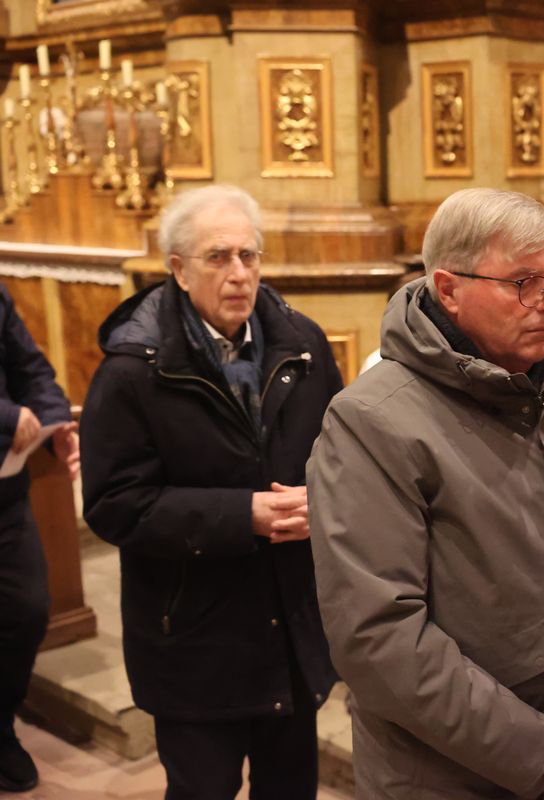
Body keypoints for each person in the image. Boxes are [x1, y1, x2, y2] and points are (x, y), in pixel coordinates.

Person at [307, 188, 544, 800]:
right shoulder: (372, 423)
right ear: (448, 289)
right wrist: (538, 750)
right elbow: (378, 636)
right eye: (523, 283)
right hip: (451, 779)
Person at [80, 185, 342, 800]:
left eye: (249, 256)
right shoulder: (132, 371)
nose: (238, 274)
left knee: (290, 790)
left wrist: (322, 501)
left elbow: (341, 456)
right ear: (177, 268)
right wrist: (239, 514)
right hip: (194, 637)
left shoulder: (301, 345)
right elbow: (114, 504)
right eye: (218, 257)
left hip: (289, 629)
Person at [0, 285, 78, 793]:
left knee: (27, 610)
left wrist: (56, 420)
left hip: (4, 489)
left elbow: (31, 368)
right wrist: (8, 417)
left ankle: (0, 723)